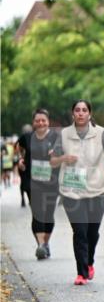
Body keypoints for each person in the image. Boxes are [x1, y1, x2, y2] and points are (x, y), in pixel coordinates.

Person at [50, 101, 104, 285]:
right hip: (71, 191)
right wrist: (64, 158)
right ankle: (81, 273)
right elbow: (53, 161)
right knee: (79, 231)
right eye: (77, 110)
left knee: (92, 232)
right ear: (72, 114)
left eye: (84, 110)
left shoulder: (101, 134)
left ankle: (89, 262)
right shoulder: (64, 134)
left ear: (89, 114)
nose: (80, 113)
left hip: (96, 190)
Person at [18, 110, 60, 259]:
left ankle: (46, 243)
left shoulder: (56, 137)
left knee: (48, 214)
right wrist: (21, 160)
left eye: (43, 120)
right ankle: (40, 245)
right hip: (33, 181)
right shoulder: (26, 137)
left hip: (52, 182)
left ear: (48, 121)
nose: (40, 123)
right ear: (33, 122)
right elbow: (20, 151)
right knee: (37, 213)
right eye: (37, 121)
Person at [16, 125, 31, 207]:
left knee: (23, 181)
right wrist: (21, 158)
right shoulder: (23, 139)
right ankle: (24, 198)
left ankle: (23, 199)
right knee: (25, 181)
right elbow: (18, 148)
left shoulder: (22, 138)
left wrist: (20, 157)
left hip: (24, 163)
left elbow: (17, 148)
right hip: (24, 163)